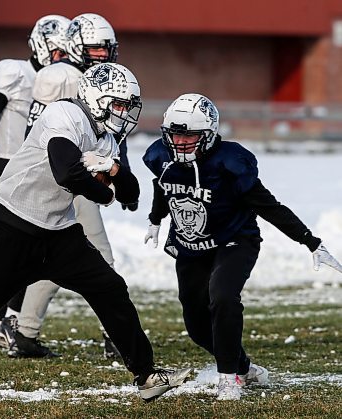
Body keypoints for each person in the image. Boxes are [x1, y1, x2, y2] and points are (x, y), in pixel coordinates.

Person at [0, 63, 192, 402]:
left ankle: (147, 375)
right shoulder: (65, 114)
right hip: (11, 225)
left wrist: (113, 168)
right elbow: (67, 172)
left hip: (57, 233)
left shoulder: (105, 138)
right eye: (119, 104)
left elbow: (132, 195)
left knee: (110, 288)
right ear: (96, 98)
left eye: (127, 106)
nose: (124, 113)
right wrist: (105, 192)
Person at [142, 93, 342, 400]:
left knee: (222, 297)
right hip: (191, 246)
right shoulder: (161, 157)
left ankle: (229, 378)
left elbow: (269, 206)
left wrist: (309, 241)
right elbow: (163, 186)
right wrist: (155, 219)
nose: (181, 142)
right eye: (176, 134)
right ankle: (243, 366)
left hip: (234, 241)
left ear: (208, 135)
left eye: (190, 135)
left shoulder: (230, 163)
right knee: (196, 326)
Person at [13, 13, 135, 359]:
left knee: (58, 260)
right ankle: (117, 335)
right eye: (95, 48)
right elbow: (49, 136)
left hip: (80, 177)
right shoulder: (65, 78)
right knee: (99, 257)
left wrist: (116, 174)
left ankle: (25, 330)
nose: (102, 54)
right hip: (72, 177)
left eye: (106, 48)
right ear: (75, 46)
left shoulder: (90, 78)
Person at [0, 14, 71, 351]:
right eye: (57, 51)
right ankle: (3, 323)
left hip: (41, 167)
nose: (61, 59)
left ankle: (4, 323)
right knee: (17, 249)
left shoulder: (60, 79)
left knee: (29, 251)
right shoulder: (17, 74)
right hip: (9, 165)